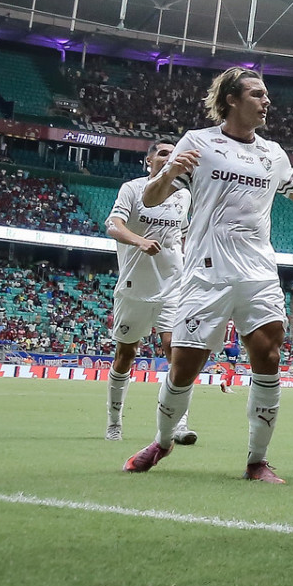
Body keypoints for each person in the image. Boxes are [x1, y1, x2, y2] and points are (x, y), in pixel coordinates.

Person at [122, 68, 293, 482]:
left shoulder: (273, 153)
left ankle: (257, 460)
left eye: (266, 94)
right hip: (207, 273)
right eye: (257, 94)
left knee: (269, 357)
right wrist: (166, 174)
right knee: (184, 365)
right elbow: (149, 201)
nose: (266, 101)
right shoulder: (198, 143)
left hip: (258, 270)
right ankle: (162, 442)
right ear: (232, 99)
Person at [104, 139, 195, 444]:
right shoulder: (132, 190)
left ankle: (179, 423)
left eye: (174, 154)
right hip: (135, 289)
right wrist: (139, 241)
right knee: (126, 353)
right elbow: (113, 225)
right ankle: (114, 421)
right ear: (149, 161)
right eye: (164, 153)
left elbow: (183, 236)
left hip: (173, 287)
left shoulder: (183, 196)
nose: (170, 158)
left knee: (177, 353)